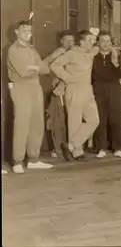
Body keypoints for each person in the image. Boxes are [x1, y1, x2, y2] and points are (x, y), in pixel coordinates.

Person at [7, 20, 53, 173]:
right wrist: (37, 67)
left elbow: (46, 69)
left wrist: (35, 67)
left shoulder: (32, 49)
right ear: (17, 32)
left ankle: (33, 159)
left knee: (37, 124)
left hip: (35, 88)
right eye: (24, 29)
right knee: (22, 124)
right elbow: (23, 72)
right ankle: (18, 161)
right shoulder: (14, 49)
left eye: (29, 30)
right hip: (21, 88)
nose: (27, 32)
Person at [51, 29, 100, 161]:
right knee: (75, 121)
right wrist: (67, 78)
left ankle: (71, 145)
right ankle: (77, 152)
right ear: (81, 42)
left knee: (94, 120)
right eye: (89, 40)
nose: (92, 42)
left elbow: (97, 48)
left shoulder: (90, 52)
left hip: (87, 88)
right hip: (74, 88)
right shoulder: (72, 53)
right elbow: (55, 65)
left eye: (92, 40)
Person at [91, 32, 121, 159]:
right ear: (97, 43)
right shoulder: (93, 57)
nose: (105, 44)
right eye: (102, 41)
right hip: (98, 88)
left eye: (108, 41)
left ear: (111, 43)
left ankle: (118, 148)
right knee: (100, 118)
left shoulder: (117, 56)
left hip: (114, 88)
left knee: (116, 118)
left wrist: (115, 62)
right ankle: (101, 148)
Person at [44, 30, 75, 159]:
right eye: (66, 40)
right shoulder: (58, 53)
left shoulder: (76, 53)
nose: (69, 43)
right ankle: (57, 148)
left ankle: (72, 147)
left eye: (71, 40)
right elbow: (44, 64)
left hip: (74, 90)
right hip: (60, 91)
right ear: (61, 41)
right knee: (59, 120)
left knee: (72, 119)